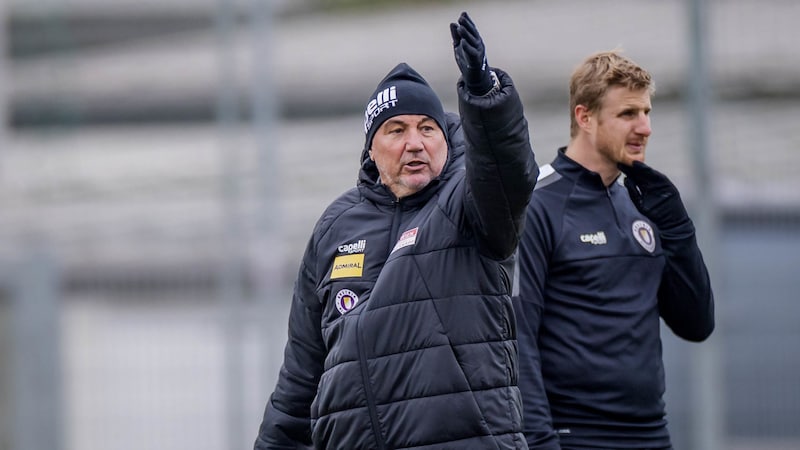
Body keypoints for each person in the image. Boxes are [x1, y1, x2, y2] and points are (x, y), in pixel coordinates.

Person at [254, 12, 538, 450]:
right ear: (372, 146)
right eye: (396, 130)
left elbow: (508, 174)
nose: (415, 142)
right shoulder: (335, 225)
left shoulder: (469, 201)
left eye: (428, 128)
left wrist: (485, 96)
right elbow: (300, 377)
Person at [514, 50, 715, 450]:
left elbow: (697, 324)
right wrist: (538, 441)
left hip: (651, 434)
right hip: (574, 437)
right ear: (585, 117)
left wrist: (678, 230)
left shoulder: (645, 206)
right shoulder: (537, 203)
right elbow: (517, 337)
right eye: (628, 114)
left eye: (646, 112)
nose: (645, 127)